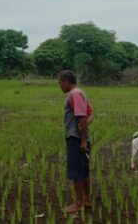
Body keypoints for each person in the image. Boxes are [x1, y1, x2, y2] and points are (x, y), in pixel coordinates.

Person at [57, 70, 92, 213]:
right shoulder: (81, 92)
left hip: (75, 138)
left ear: (65, 81)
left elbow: (82, 117)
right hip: (82, 136)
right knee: (83, 170)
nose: (59, 86)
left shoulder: (74, 94)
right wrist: (84, 128)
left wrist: (82, 140)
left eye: (59, 83)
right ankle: (86, 199)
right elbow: (91, 114)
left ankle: (78, 203)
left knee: (76, 171)